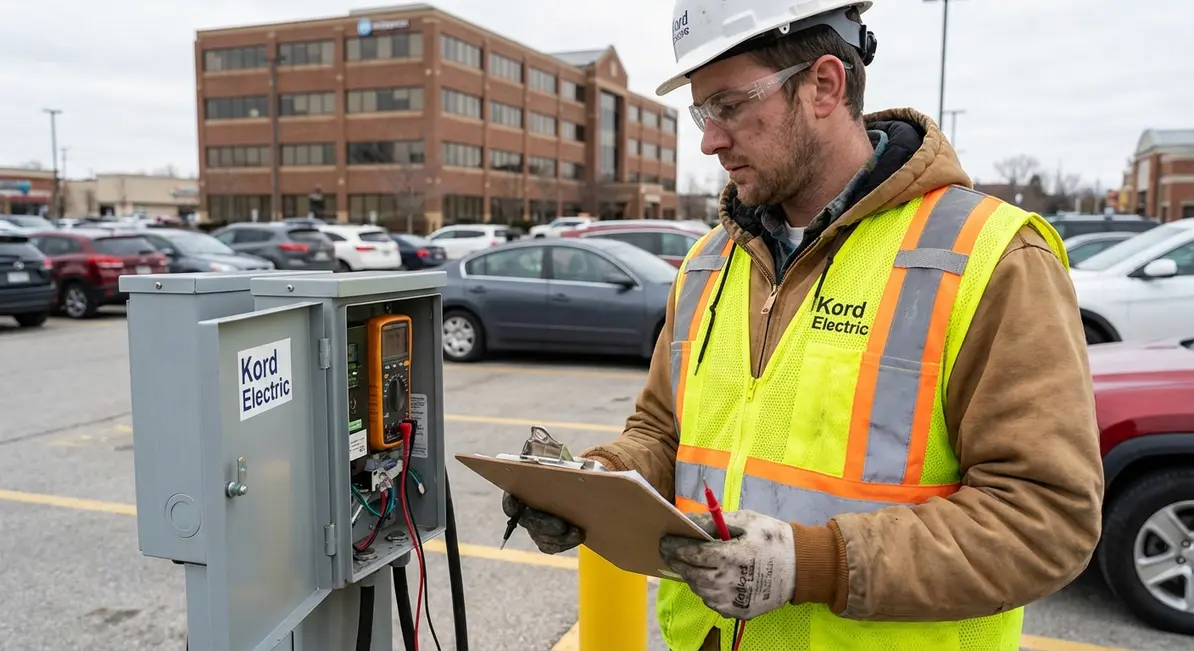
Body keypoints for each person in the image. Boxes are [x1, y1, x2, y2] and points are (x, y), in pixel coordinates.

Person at [500, 0, 1104, 649]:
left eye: (729, 105)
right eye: (703, 112)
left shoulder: (990, 257)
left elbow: (1046, 517)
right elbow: (662, 432)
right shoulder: (708, 263)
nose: (709, 139)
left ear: (823, 85)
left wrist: (811, 564)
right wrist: (590, 484)